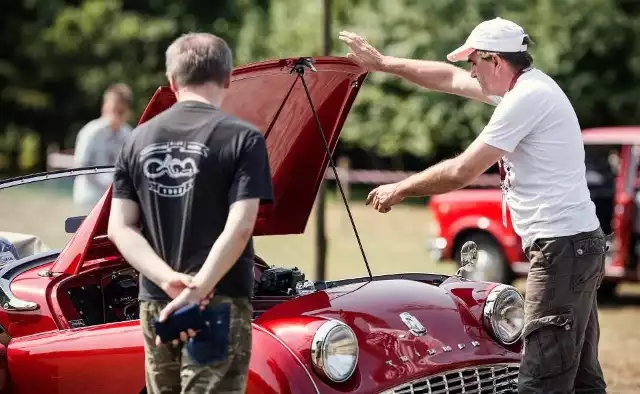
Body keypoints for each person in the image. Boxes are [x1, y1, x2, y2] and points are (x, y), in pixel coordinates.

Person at [340, 17, 606, 394]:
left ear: (495, 61)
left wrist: (400, 188)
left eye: (474, 63)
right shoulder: (526, 87)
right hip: (574, 246)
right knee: (581, 379)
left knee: (539, 380)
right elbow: (446, 79)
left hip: (562, 249)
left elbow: (462, 170)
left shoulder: (525, 99)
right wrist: (383, 64)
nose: (471, 72)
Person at [107, 32, 273, 393]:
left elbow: (120, 228)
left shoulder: (136, 139)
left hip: (157, 303)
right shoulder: (244, 138)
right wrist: (197, 290)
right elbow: (241, 226)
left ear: (172, 81)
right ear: (228, 78)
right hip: (218, 301)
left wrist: (168, 279)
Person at [73, 83, 134, 209]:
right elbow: (80, 165)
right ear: (104, 107)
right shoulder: (91, 132)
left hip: (116, 203)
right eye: (113, 110)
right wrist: (105, 186)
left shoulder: (130, 135)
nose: (116, 116)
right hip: (90, 200)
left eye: (121, 112)